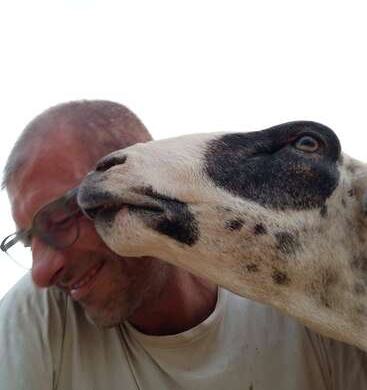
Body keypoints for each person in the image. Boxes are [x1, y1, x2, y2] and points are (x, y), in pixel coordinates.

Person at [0, 100, 366, 390]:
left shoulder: (312, 303)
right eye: (28, 240)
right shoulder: (40, 317)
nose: (42, 272)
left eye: (61, 220)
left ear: (123, 171)